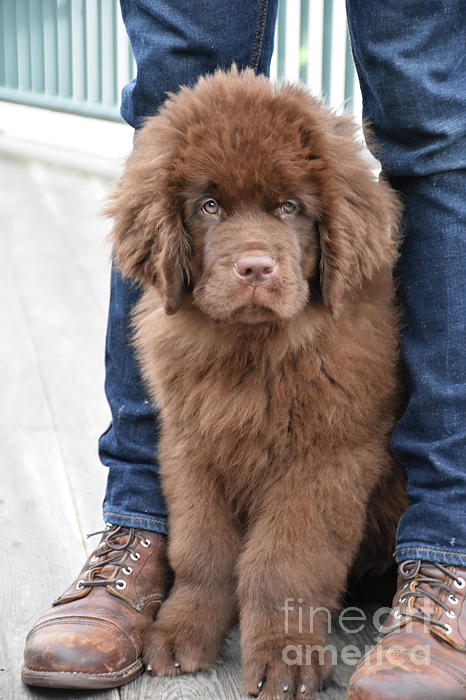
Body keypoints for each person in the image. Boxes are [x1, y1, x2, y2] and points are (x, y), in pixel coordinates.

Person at [22, 1, 465, 697]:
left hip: (346, 524)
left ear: (331, 231)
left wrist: (285, 619)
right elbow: (196, 458)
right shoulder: (170, 327)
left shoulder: (352, 336)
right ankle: (148, 541)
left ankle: (445, 554)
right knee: (174, 72)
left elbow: (327, 473)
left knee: (434, 113)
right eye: (210, 208)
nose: (254, 253)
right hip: (207, 399)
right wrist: (205, 588)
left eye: (288, 208)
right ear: (169, 232)